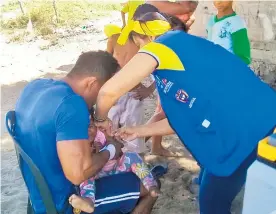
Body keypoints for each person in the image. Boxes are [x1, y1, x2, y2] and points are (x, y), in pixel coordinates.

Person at [93, 7, 276, 214]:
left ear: (148, 37)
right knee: (213, 183)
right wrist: (139, 130)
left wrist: (100, 119)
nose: (139, 51)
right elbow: (181, 118)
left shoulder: (163, 45)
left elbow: (107, 93)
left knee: (212, 202)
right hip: (260, 118)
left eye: (138, 44)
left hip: (243, 131)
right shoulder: (182, 52)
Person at [15, 51, 157, 214]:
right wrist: (111, 149)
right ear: (91, 83)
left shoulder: (35, 87)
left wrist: (98, 118)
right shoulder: (72, 106)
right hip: (66, 200)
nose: (112, 100)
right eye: (107, 92)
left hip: (39, 195)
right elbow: (78, 175)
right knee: (150, 186)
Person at [69, 109, 160, 213]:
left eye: (90, 126)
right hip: (97, 174)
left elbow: (115, 146)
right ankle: (89, 201)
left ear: (95, 124)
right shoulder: (77, 143)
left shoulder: (100, 134)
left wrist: (112, 139)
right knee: (86, 178)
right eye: (81, 129)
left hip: (115, 168)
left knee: (132, 157)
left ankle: (150, 184)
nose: (88, 131)